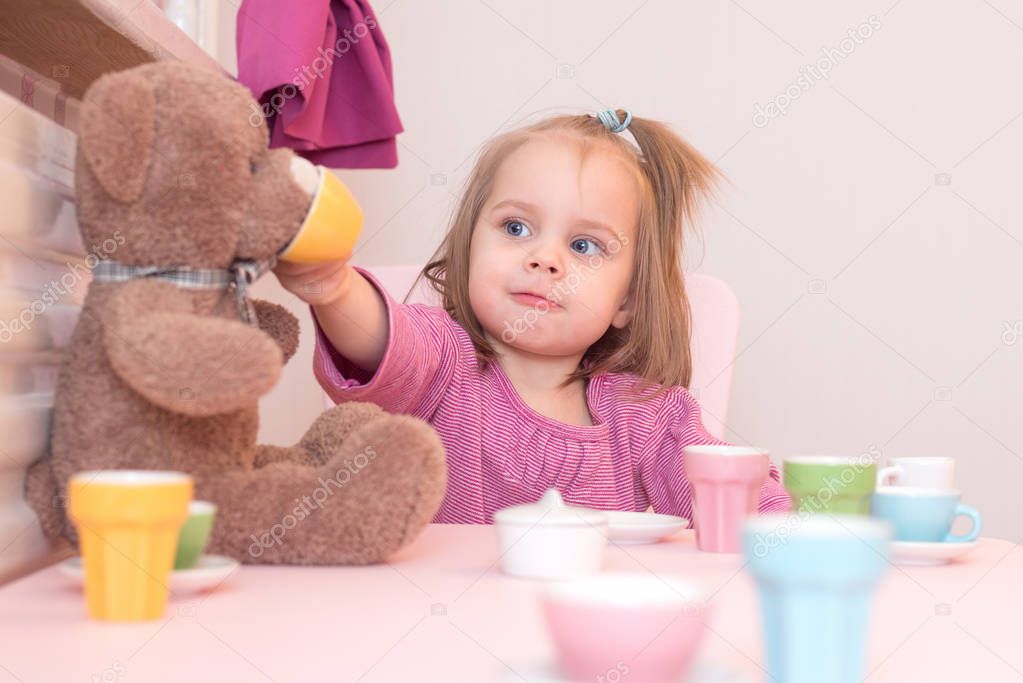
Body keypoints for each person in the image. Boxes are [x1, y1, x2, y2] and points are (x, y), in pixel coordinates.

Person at [274, 108, 791, 523]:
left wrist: (789, 529)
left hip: (586, 644)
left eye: (584, 245)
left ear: (627, 301)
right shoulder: (441, 359)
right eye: (517, 228)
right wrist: (334, 288)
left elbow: (742, 505)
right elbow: (379, 342)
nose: (545, 259)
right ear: (469, 246)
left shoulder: (648, 416)